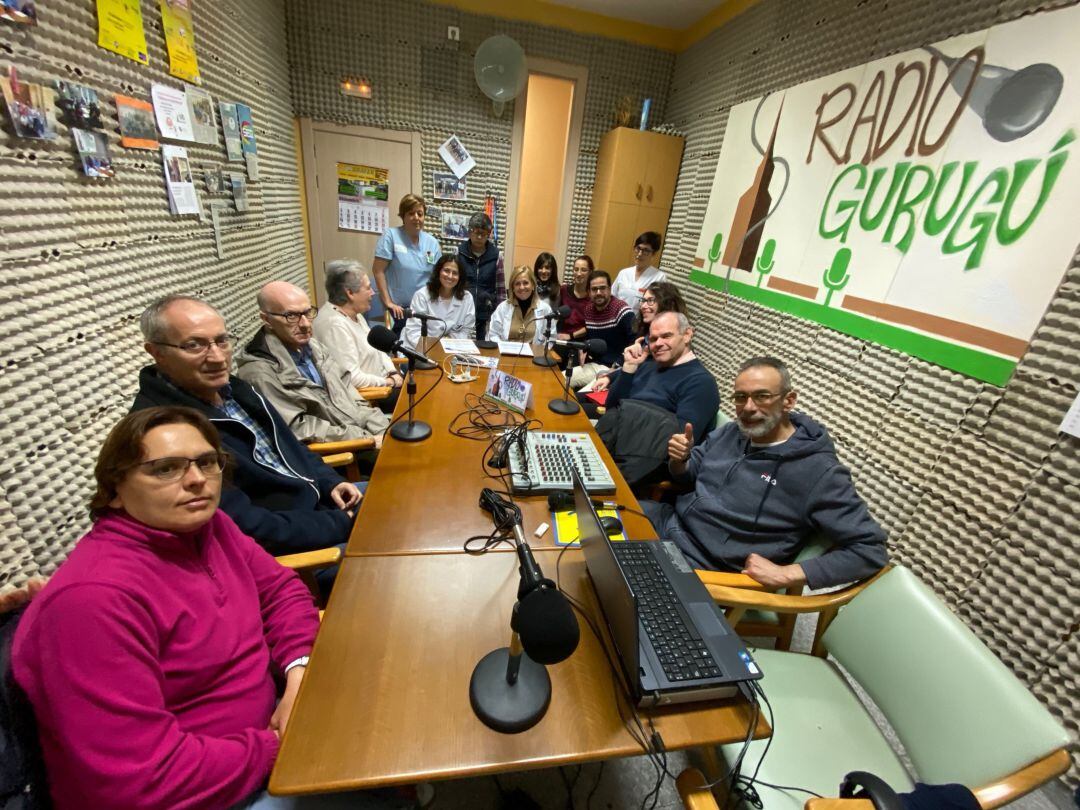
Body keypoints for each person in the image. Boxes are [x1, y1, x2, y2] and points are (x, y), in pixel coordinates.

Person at [11, 406, 322, 809]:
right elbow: (141, 780)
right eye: (165, 469)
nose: (196, 480)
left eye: (206, 462)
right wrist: (278, 746)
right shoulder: (92, 602)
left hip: (269, 744)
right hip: (214, 794)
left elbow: (282, 592)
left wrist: (298, 675)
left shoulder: (207, 528)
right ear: (114, 490)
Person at [132, 295, 360, 559]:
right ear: (156, 352)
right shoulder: (164, 433)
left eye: (222, 341)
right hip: (300, 550)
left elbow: (292, 447)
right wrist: (341, 523)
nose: (218, 358)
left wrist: (329, 481)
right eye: (195, 345)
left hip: (322, 504)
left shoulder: (236, 389)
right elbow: (249, 529)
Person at [644, 356, 889, 590]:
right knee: (606, 518)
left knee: (617, 592)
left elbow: (870, 550)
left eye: (762, 396)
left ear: (789, 400)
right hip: (670, 522)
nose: (748, 408)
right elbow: (688, 474)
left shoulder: (819, 471)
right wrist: (681, 460)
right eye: (741, 397)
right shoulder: (732, 431)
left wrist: (787, 573)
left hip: (705, 564)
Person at [235, 281, 389, 447]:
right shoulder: (260, 373)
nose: (305, 324)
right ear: (267, 320)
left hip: (365, 436)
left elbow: (353, 399)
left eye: (307, 313)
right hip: (344, 452)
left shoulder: (315, 347)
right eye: (291, 316)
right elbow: (299, 429)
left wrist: (385, 431)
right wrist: (367, 439)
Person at [603, 310, 719, 444]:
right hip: (616, 441)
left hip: (643, 458)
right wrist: (629, 367)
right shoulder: (646, 366)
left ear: (687, 335)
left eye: (666, 336)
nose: (658, 343)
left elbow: (678, 444)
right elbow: (611, 408)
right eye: (653, 339)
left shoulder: (700, 383)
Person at [312, 259, 403, 414]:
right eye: (368, 288)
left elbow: (379, 350)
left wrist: (393, 372)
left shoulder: (354, 313)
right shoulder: (334, 325)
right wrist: (389, 382)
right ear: (350, 293)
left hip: (385, 383)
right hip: (372, 398)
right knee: (424, 398)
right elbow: (352, 378)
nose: (373, 293)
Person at [588, 280, 689, 395]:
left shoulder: (673, 348)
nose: (643, 306)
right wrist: (609, 378)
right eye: (643, 301)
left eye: (650, 301)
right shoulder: (643, 336)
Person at [371, 193, 440, 333]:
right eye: (411, 213)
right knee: (399, 350)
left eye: (420, 214)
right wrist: (388, 303)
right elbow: (378, 271)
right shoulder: (391, 236)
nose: (416, 218)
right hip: (398, 310)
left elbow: (437, 277)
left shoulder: (432, 243)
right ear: (403, 216)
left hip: (422, 310)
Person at [569, 270, 635, 388]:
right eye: (594, 289)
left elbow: (635, 342)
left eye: (602, 288)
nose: (598, 292)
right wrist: (585, 346)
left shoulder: (622, 310)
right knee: (563, 379)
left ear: (610, 289)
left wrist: (617, 365)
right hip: (596, 365)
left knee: (583, 395)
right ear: (588, 292)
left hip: (616, 369)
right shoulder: (588, 310)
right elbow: (591, 336)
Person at [402, 255, 476, 350]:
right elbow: (413, 331)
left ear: (460, 277)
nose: (450, 276)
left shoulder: (467, 298)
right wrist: (433, 349)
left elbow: (467, 330)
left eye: (455, 273)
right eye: (446, 271)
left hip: (452, 349)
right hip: (419, 349)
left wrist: (449, 344)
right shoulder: (422, 296)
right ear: (438, 272)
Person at [455, 211, 504, 341]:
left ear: (488, 235)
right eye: (476, 232)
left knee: (484, 349)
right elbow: (453, 283)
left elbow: (500, 289)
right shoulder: (458, 253)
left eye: (484, 234)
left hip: (487, 313)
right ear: (469, 232)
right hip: (462, 311)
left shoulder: (496, 255)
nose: (479, 237)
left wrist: (501, 314)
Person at [488, 265, 553, 343]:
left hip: (534, 354)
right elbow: (493, 334)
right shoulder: (503, 308)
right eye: (517, 284)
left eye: (525, 283)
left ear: (533, 285)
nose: (522, 287)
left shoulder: (545, 309)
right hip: (506, 353)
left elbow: (550, 338)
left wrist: (539, 353)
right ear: (513, 288)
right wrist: (503, 349)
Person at [611, 231, 667, 314]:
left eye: (646, 250)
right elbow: (612, 297)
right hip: (617, 319)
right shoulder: (624, 273)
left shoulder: (659, 277)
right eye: (638, 248)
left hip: (640, 323)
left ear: (654, 254)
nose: (640, 254)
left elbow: (658, 306)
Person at [557, 254, 593, 342]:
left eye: (583, 270)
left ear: (590, 272)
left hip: (581, 341)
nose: (579, 273)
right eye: (576, 269)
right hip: (560, 338)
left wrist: (571, 336)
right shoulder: (564, 290)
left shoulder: (593, 297)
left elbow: (592, 325)